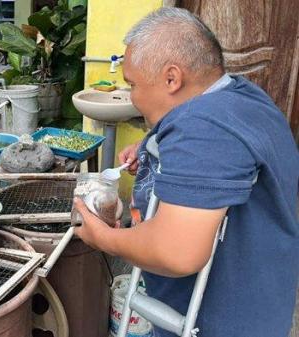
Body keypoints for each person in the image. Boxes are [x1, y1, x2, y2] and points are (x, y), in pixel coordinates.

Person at [72, 7, 299, 337]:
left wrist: (105, 238)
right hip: (264, 298)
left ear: (171, 78)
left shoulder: (203, 129)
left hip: (217, 323)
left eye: (132, 84)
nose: (132, 97)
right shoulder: (243, 97)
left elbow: (176, 252)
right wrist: (153, 148)